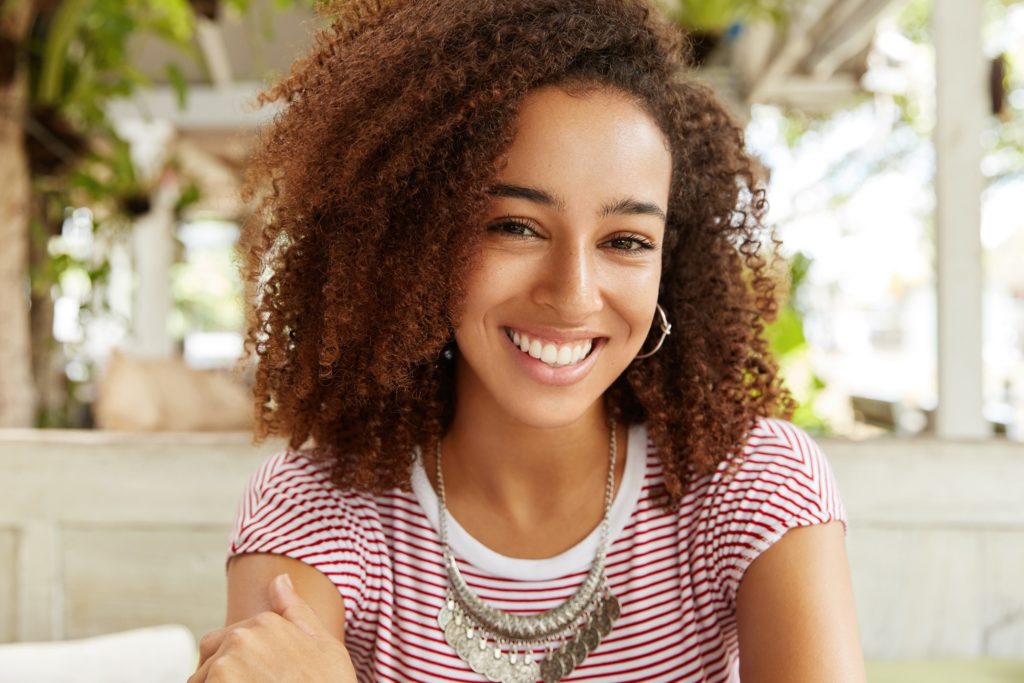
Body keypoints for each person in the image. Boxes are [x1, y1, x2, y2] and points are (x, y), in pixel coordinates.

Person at [189, 0, 866, 681]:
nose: (573, 294)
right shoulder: (318, 507)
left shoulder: (751, 485)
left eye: (626, 241)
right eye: (516, 226)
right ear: (419, 234)